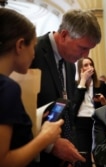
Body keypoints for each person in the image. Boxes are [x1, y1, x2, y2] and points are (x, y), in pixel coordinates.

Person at [30, 9, 101, 166]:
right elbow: (20, 112)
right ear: (63, 35)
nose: (85, 55)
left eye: (89, 49)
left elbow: (66, 109)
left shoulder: (69, 61)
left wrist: (69, 147)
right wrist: (50, 145)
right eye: (82, 48)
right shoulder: (31, 52)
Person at [0, 8, 64, 167]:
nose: (34, 54)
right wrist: (45, 137)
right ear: (20, 45)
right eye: (33, 46)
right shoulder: (7, 88)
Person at [73, 57, 106, 167]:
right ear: (80, 69)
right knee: (84, 156)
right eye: (85, 65)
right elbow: (74, 106)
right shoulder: (76, 85)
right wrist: (83, 81)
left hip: (96, 121)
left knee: (99, 154)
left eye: (90, 64)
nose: (89, 67)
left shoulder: (101, 85)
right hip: (81, 122)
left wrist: (104, 101)